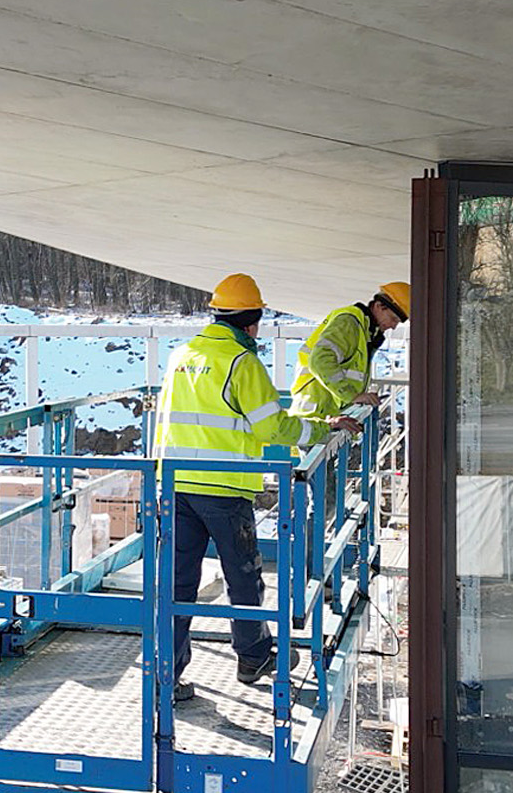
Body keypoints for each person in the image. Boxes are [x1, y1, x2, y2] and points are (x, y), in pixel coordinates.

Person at [152, 273, 360, 702]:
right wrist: (321, 430)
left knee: (175, 586)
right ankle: (252, 656)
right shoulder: (241, 363)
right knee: (243, 577)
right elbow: (273, 425)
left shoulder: (182, 355)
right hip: (224, 487)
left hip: (174, 485)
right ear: (252, 322)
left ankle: (165, 679)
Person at [289, 282, 409, 419]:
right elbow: (320, 360)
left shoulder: (364, 329)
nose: (393, 327)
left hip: (324, 413)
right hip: (314, 413)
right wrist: (353, 396)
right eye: (393, 319)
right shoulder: (349, 323)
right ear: (378, 306)